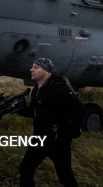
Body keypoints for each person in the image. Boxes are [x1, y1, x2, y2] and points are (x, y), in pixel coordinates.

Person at [17, 58, 84, 187]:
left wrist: (69, 133)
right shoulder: (37, 89)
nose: (31, 69)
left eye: (36, 67)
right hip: (40, 138)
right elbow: (37, 111)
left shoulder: (60, 88)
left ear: (47, 71)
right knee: (26, 168)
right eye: (32, 66)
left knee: (65, 176)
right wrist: (18, 109)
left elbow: (79, 109)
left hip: (58, 141)